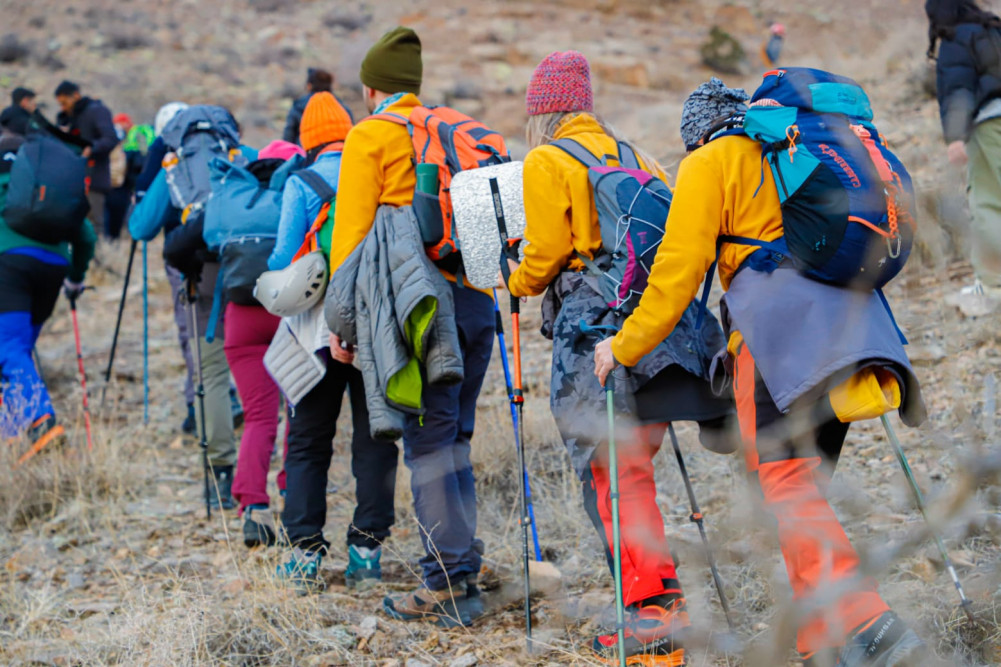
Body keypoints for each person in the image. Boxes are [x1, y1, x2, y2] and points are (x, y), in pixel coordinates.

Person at [593, 78, 926, 667]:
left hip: (780, 338)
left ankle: (866, 621)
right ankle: (817, 642)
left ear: (696, 134)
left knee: (787, 486)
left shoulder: (710, 162)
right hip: (857, 328)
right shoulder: (789, 150)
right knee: (802, 485)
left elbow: (675, 274)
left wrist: (621, 347)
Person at [501, 52, 735, 665]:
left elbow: (547, 253)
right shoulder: (634, 155)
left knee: (613, 471)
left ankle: (653, 616)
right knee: (635, 468)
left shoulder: (547, 160)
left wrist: (517, 278)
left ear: (543, 111)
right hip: (662, 330)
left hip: (596, 334)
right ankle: (658, 602)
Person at [330, 26, 492, 624]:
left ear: (373, 89)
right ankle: (464, 568)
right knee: (455, 440)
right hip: (475, 302)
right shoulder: (453, 130)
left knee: (427, 446)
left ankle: (445, 582)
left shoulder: (369, 137)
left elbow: (348, 242)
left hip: (418, 311)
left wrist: (344, 328)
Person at [269, 92, 399, 586]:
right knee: (376, 439)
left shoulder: (301, 182)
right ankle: (367, 550)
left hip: (316, 332)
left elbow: (284, 261)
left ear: (306, 141)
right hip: (375, 326)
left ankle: (304, 553)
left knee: (307, 441)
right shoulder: (377, 167)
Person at [129, 107, 257, 510]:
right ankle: (271, 473)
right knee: (261, 364)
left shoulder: (175, 167)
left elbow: (140, 228)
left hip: (201, 275)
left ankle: (220, 475)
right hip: (252, 269)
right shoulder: (244, 155)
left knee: (211, 373)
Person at [219, 139, 303, 547]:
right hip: (288, 312)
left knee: (258, 417)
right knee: (298, 409)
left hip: (240, 319)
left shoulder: (238, 199)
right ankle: (293, 494)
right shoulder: (298, 190)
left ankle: (253, 506)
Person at [0, 127, 96, 452]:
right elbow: (86, 236)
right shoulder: (46, 190)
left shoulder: (8, 188)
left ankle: (42, 421)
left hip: (9, 263)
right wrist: (76, 278)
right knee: (19, 350)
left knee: (8, 348)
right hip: (53, 266)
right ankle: (12, 436)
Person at [927, 0, 1001, 298]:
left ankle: (993, 282)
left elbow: (958, 89)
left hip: (988, 123)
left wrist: (955, 137)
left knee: (986, 201)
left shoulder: (955, 40)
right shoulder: (993, 29)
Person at [54, 81, 119, 236]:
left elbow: (110, 138)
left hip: (94, 179)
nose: (63, 108)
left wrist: (89, 148)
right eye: (60, 105)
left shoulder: (97, 111)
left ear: (75, 95)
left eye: (64, 103)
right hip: (72, 180)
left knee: (95, 224)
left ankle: (101, 259)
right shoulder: (68, 117)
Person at [283, 68, 355, 146]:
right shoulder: (341, 107)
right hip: (340, 153)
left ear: (309, 86)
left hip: (306, 153)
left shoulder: (299, 106)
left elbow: (288, 137)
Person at [102, 113, 144, 240]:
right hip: (115, 187)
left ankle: (112, 241)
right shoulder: (126, 145)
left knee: (114, 219)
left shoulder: (134, 139)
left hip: (118, 187)